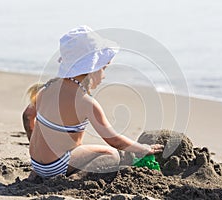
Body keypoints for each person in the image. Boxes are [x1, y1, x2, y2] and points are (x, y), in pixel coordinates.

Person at [22, 25, 164, 178]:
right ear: (92, 68)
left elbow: (27, 116)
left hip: (37, 164)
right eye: (104, 68)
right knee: (111, 154)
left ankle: (42, 172)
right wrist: (143, 149)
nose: (104, 76)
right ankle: (75, 178)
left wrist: (37, 146)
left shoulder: (45, 89)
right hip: (58, 167)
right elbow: (114, 140)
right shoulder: (85, 103)